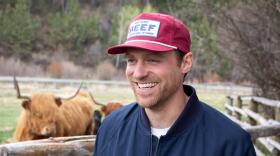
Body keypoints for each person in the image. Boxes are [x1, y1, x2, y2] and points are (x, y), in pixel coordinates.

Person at [93, 12, 256, 156]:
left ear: (186, 63)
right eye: (131, 60)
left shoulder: (230, 144)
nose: (138, 73)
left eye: (152, 60)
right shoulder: (111, 129)